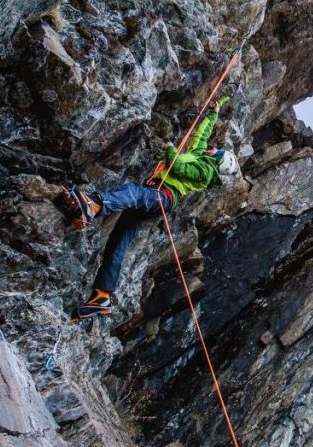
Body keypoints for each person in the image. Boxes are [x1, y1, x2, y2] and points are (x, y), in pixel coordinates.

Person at [60, 97, 239, 321]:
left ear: (218, 160)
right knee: (118, 241)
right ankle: (101, 297)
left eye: (217, 152)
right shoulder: (199, 156)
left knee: (132, 192)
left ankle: (93, 206)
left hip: (162, 196)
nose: (214, 149)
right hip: (157, 195)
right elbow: (201, 135)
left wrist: (170, 149)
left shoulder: (205, 172)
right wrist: (213, 113)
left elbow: (178, 167)